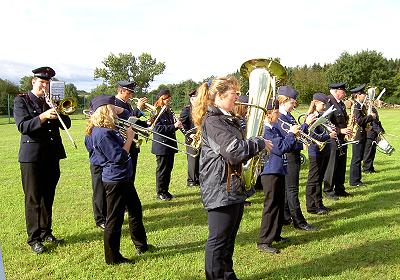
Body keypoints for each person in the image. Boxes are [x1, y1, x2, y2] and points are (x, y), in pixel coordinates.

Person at [191, 76, 271, 280]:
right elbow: (233, 151)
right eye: (234, 93)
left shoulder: (226, 118)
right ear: (219, 95)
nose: (238, 97)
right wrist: (258, 143)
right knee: (218, 241)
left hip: (232, 186)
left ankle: (227, 275)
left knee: (228, 240)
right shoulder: (214, 120)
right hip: (220, 187)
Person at [85, 94, 150, 264]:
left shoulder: (107, 129)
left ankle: (141, 244)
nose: (116, 112)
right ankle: (112, 257)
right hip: (115, 180)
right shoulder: (102, 133)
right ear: (106, 111)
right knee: (114, 219)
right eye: (113, 110)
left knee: (135, 209)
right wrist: (129, 137)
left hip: (123, 177)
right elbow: (119, 157)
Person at [13, 66, 70, 254]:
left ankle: (46, 232)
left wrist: (58, 109)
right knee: (33, 199)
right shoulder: (22, 100)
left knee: (48, 197)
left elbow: (66, 125)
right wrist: (44, 116)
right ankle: (34, 238)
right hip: (32, 158)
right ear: (33, 82)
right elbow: (23, 126)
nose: (45, 86)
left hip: (51, 155)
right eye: (42, 82)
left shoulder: (52, 101)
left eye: (48, 83)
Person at [258, 98, 298, 254]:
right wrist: (291, 134)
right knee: (271, 206)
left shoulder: (273, 128)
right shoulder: (266, 131)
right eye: (275, 112)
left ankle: (275, 234)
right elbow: (280, 148)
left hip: (278, 170)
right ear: (268, 114)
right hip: (270, 172)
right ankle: (264, 240)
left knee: (279, 204)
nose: (277, 115)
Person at [276, 86, 317, 231]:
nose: (294, 106)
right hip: (288, 156)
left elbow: (297, 134)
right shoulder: (280, 117)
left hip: (293, 155)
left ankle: (286, 217)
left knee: (289, 190)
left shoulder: (288, 115)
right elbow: (290, 136)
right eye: (292, 103)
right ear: (284, 101)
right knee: (292, 190)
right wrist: (306, 124)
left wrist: (305, 126)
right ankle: (299, 221)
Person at [305, 93, 336, 215]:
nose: (324, 107)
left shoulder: (322, 115)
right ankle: (311, 206)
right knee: (313, 179)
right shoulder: (311, 116)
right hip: (315, 152)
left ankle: (319, 203)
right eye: (323, 104)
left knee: (320, 178)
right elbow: (312, 135)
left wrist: (330, 129)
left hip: (325, 149)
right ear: (316, 103)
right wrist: (329, 135)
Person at [114, 81, 148, 185]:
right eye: (128, 93)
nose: (131, 96)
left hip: (133, 143)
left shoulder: (127, 104)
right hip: (123, 143)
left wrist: (147, 123)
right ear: (120, 91)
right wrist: (138, 109)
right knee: (125, 175)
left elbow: (134, 122)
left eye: (131, 93)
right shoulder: (114, 103)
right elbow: (127, 122)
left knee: (132, 174)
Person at [151, 89, 183, 201]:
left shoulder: (168, 111)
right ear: (161, 99)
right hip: (162, 145)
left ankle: (165, 191)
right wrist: (174, 126)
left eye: (169, 99)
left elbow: (170, 128)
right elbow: (157, 129)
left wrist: (177, 126)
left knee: (168, 169)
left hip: (169, 144)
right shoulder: (156, 112)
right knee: (162, 170)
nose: (169, 101)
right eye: (166, 99)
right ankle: (160, 192)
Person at [323, 82, 353, 199]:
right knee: (332, 165)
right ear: (336, 91)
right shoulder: (329, 102)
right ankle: (328, 190)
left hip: (342, 139)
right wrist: (341, 131)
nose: (344, 93)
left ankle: (340, 188)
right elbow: (326, 123)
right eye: (343, 91)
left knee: (341, 165)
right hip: (333, 139)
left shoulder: (340, 103)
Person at [348, 84, 375, 186]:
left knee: (359, 158)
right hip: (357, 135)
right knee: (356, 158)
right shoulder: (356, 106)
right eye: (363, 93)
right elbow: (359, 121)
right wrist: (370, 117)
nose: (365, 95)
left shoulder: (360, 105)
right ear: (358, 95)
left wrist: (366, 126)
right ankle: (354, 181)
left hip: (361, 133)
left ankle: (357, 179)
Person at [180, 89, 200, 187]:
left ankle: (198, 178)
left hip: (200, 138)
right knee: (192, 160)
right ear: (192, 98)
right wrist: (189, 135)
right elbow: (182, 125)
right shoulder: (187, 110)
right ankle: (191, 180)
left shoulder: (200, 109)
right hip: (191, 138)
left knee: (199, 159)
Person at [363, 106, 384, 173]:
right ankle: (366, 169)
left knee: (372, 153)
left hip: (374, 136)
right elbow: (373, 124)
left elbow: (377, 122)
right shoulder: (368, 111)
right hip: (369, 136)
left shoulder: (373, 109)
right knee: (368, 153)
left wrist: (382, 130)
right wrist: (379, 131)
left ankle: (371, 168)